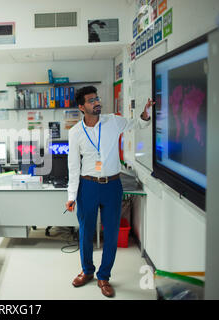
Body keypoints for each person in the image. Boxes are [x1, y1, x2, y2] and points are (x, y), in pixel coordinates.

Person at [65, 86, 154, 298]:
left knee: (112, 232)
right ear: (81, 107)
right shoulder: (75, 132)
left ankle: (104, 276)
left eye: (97, 98)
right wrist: (71, 196)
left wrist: (146, 112)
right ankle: (87, 271)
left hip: (112, 185)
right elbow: (73, 167)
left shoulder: (113, 121)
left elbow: (138, 123)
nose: (97, 102)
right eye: (91, 100)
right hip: (87, 186)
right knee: (86, 232)